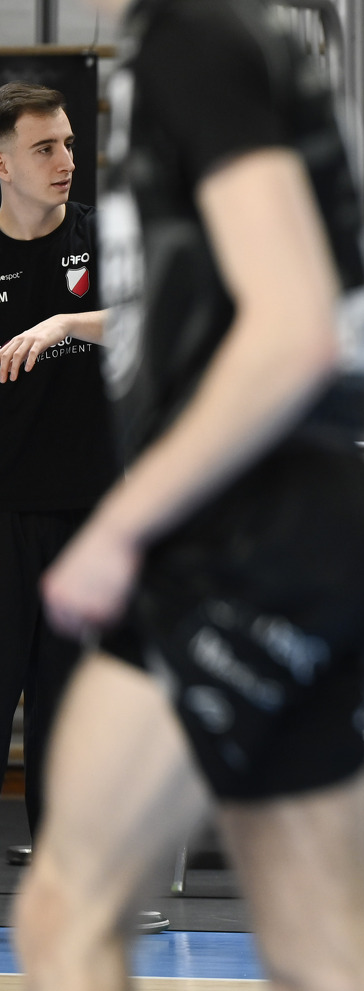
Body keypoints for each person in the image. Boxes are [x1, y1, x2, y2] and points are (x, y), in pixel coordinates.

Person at [13, 2, 364, 991]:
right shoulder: (236, 41)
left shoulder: (195, 40)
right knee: (322, 958)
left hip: (247, 525)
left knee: (66, 913)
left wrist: (121, 525)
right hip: (299, 518)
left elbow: (291, 328)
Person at [0, 82, 116, 873]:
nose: (66, 159)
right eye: (45, 147)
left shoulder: (100, 239)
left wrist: (67, 322)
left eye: (69, 143)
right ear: (3, 164)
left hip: (85, 515)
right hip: (3, 515)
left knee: (69, 712)